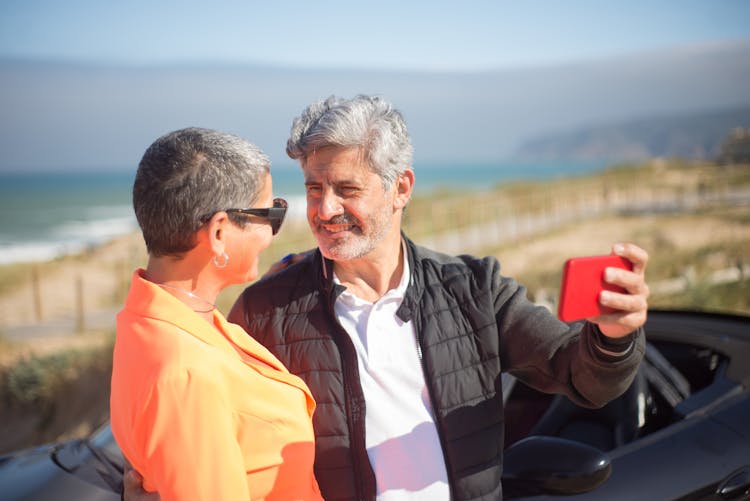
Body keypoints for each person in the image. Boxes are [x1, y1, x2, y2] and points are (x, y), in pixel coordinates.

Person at [126, 96, 649, 501]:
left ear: (401, 188)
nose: (324, 209)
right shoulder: (264, 311)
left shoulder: (475, 289)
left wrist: (613, 336)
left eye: (346, 189)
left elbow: (585, 378)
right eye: (313, 188)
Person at [110, 127, 322, 501]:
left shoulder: (160, 322)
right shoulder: (186, 375)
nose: (272, 233)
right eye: (271, 213)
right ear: (219, 233)